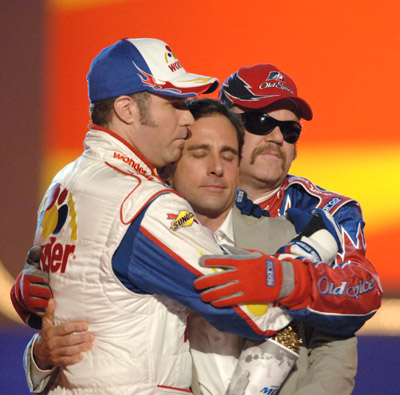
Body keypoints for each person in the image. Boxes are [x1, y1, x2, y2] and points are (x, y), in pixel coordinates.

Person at [11, 40, 340, 394]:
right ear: (127, 109)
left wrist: (39, 354)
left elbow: (62, 305)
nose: (187, 118)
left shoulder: (66, 181)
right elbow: (245, 308)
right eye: (174, 103)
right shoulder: (142, 201)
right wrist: (307, 259)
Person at [191, 63, 382, 394]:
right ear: (224, 127)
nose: (277, 137)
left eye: (290, 131)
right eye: (260, 122)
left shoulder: (328, 212)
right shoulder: (175, 199)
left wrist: (279, 279)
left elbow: (364, 294)